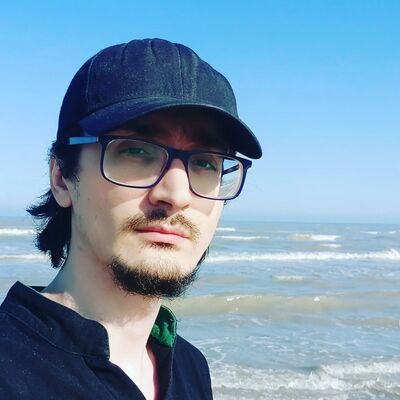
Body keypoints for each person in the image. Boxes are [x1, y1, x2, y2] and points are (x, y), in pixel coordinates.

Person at [0, 38, 262, 399]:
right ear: (62, 178)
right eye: (137, 151)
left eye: (205, 162)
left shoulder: (190, 367)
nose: (177, 194)